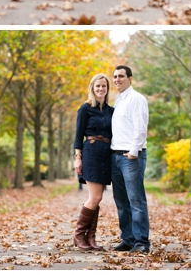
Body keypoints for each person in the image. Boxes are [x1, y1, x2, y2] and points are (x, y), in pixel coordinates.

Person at [111, 65, 150, 253]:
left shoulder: (137, 99)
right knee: (121, 201)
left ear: (130, 79)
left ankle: (142, 241)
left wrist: (134, 151)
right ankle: (128, 239)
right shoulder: (118, 101)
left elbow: (140, 127)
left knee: (136, 200)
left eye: (121, 76)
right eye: (115, 76)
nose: (117, 79)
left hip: (131, 156)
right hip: (115, 156)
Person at [72, 73, 114, 250]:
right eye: (98, 86)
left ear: (107, 89)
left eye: (103, 86)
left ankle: (91, 238)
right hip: (91, 153)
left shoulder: (112, 111)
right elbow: (78, 134)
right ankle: (79, 235)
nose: (101, 89)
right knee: (95, 197)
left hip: (107, 155)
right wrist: (78, 157)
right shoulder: (85, 108)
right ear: (92, 88)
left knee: (98, 198)